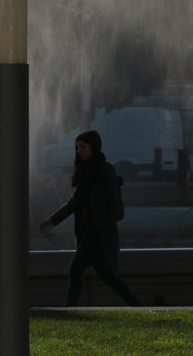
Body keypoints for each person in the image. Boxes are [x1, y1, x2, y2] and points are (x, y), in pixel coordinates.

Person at [38, 129, 141, 306]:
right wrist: (52, 220)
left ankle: (69, 310)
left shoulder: (105, 169)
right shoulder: (85, 171)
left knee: (76, 269)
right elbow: (74, 203)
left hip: (97, 233)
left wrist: (105, 226)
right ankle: (138, 306)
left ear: (94, 146)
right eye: (77, 147)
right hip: (90, 232)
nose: (79, 151)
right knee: (107, 276)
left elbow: (114, 203)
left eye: (83, 147)